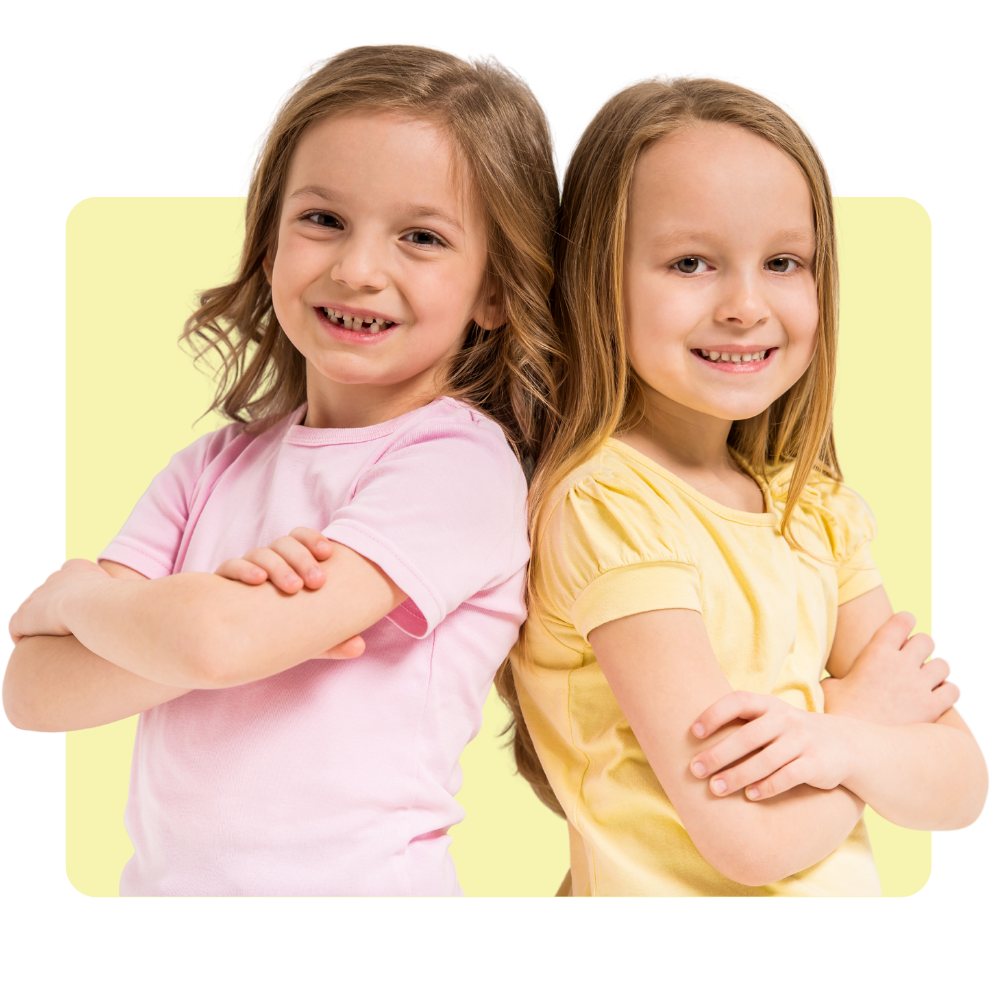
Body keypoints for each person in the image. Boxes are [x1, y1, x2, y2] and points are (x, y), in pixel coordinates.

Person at [3, 43, 561, 897]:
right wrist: (201, 626)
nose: (358, 269)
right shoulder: (212, 465)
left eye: (421, 236)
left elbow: (217, 640)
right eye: (323, 220)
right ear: (268, 246)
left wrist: (81, 597)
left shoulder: (456, 466)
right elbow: (36, 692)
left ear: (494, 291)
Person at [494, 71, 990, 897]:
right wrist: (860, 718)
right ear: (594, 276)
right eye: (691, 262)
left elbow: (964, 785)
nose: (746, 305)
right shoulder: (605, 507)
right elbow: (752, 843)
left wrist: (840, 741)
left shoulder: (811, 507)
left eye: (784, 262)